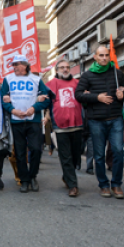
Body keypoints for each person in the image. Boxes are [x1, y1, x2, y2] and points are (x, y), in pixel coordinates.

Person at [75, 46, 124, 199]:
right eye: (101, 55)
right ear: (95, 57)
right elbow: (78, 95)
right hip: (96, 121)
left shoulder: (117, 73)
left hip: (116, 119)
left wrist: (122, 95)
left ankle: (117, 184)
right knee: (98, 155)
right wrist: (97, 97)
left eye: (107, 55)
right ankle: (104, 185)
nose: (104, 58)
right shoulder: (87, 75)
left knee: (118, 151)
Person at [1, 55, 51, 193]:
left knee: (36, 149)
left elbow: (46, 99)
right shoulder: (8, 79)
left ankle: (33, 176)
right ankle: (24, 179)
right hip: (16, 121)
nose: (14, 67)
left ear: (25, 65)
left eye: (17, 64)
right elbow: (2, 99)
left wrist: (34, 108)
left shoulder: (36, 79)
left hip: (33, 121)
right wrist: (13, 110)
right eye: (13, 65)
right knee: (19, 152)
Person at [45, 59, 82, 197]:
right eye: (62, 67)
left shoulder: (78, 84)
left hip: (77, 124)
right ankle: (73, 185)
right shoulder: (50, 85)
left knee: (76, 156)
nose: (65, 69)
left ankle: (67, 176)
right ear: (57, 70)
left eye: (67, 67)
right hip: (60, 127)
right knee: (65, 156)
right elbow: (44, 102)